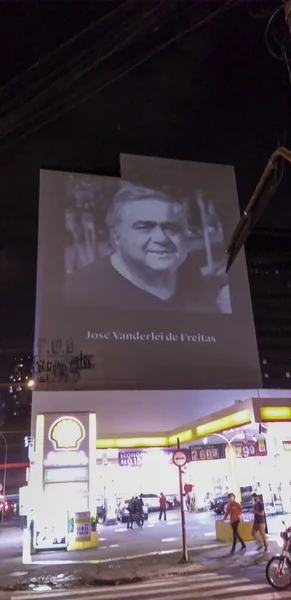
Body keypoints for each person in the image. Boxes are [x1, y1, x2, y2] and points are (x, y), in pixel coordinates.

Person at [64, 183, 229, 313]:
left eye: (171, 228)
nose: (162, 238)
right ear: (116, 235)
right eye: (144, 227)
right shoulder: (79, 293)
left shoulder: (190, 274)